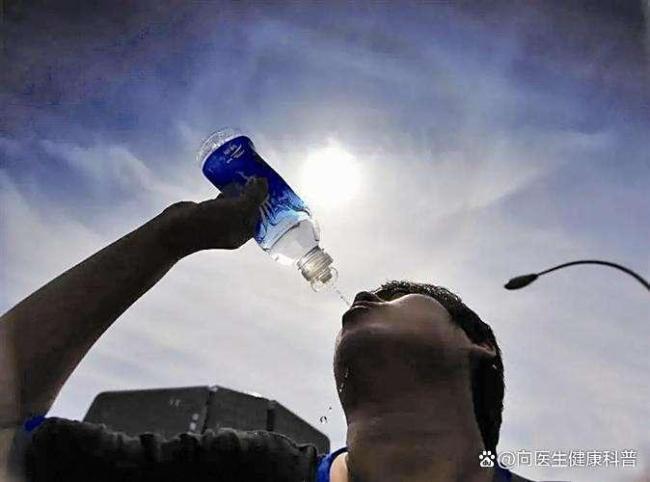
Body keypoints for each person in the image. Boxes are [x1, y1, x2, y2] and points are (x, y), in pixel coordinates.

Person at [0, 177, 535, 482]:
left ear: (478, 344)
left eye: (397, 295)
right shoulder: (237, 471)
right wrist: (168, 238)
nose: (366, 298)